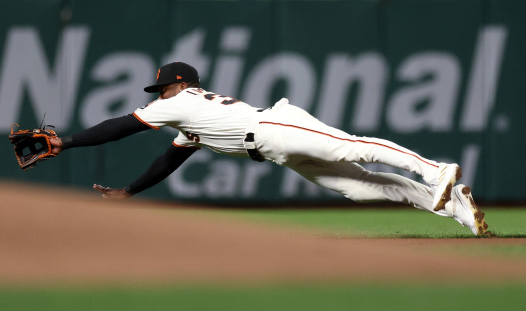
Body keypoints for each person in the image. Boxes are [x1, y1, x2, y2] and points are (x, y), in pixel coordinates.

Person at [49, 62, 489, 236]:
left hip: (274, 126)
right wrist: (130, 191)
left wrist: (65, 142)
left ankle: (436, 171)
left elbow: (121, 127)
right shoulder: (190, 120)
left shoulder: (180, 102)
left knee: (351, 149)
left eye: (161, 86)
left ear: (181, 84)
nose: (158, 93)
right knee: (360, 188)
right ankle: (453, 207)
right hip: (276, 149)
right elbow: (168, 159)